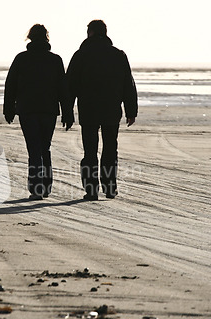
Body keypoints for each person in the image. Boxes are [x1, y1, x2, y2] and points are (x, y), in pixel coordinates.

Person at [67, 20, 138, 201]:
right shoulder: (118, 55)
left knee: (90, 152)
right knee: (110, 149)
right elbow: (128, 85)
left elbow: (70, 85)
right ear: (105, 33)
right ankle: (110, 187)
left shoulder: (81, 55)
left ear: (89, 33)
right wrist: (131, 110)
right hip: (111, 110)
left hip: (88, 110)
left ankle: (91, 189)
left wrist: (67, 111)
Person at [4, 24, 74, 200]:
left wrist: (9, 109)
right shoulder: (55, 60)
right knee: (45, 148)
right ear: (46, 38)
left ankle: (36, 188)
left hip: (27, 110)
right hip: (48, 110)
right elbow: (63, 89)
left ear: (30, 38)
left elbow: (10, 85)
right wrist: (67, 113)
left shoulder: (21, 58)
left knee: (34, 149)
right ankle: (46, 187)